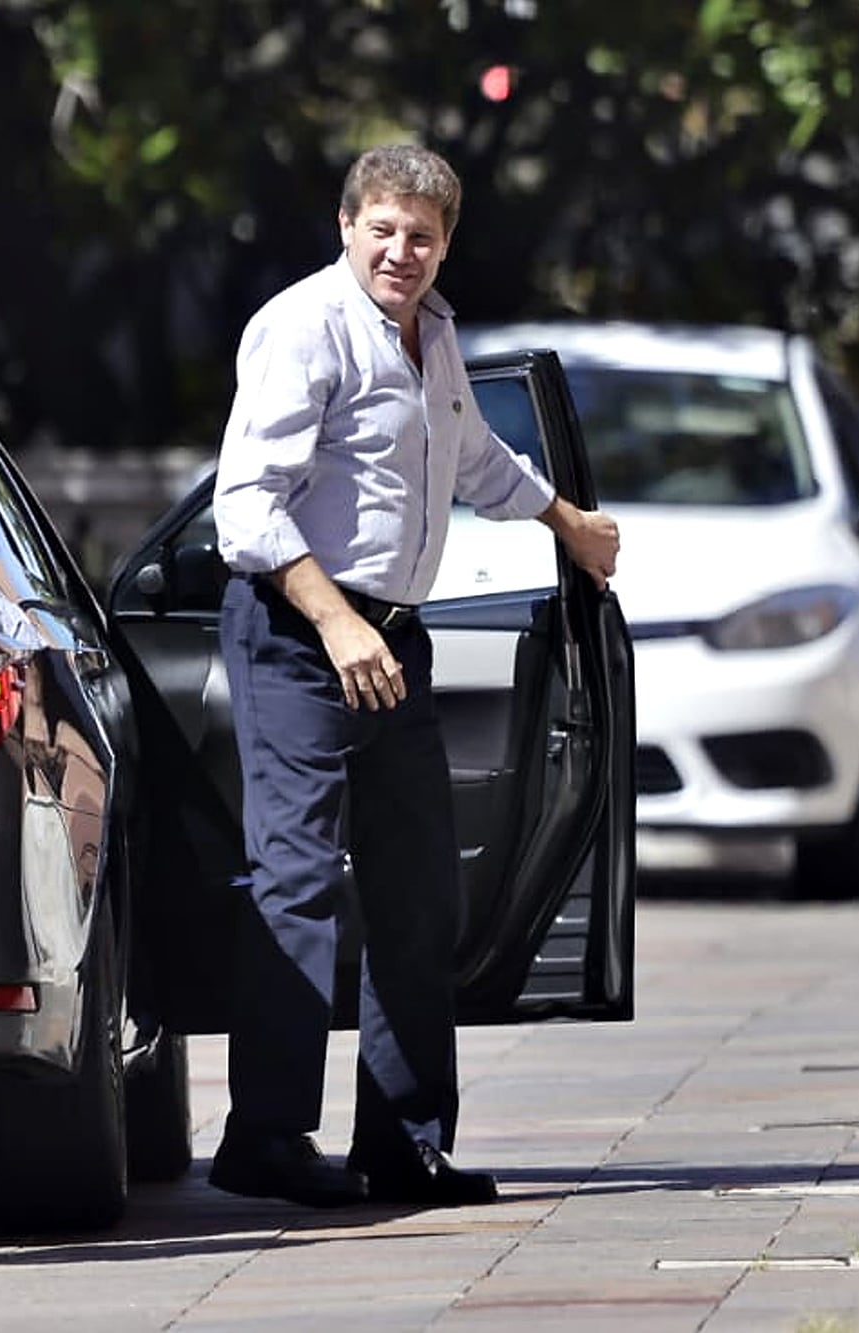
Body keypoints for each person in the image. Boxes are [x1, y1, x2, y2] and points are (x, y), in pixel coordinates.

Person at [206, 144, 621, 1210]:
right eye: (382, 229)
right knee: (295, 885)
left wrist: (561, 520)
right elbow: (245, 505)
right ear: (346, 225)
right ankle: (264, 1136)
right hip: (302, 633)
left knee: (415, 890)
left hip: (393, 639)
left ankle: (400, 1140)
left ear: (444, 245)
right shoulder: (302, 328)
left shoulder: (431, 334)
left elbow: (474, 456)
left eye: (421, 235)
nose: (400, 251)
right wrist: (337, 621)